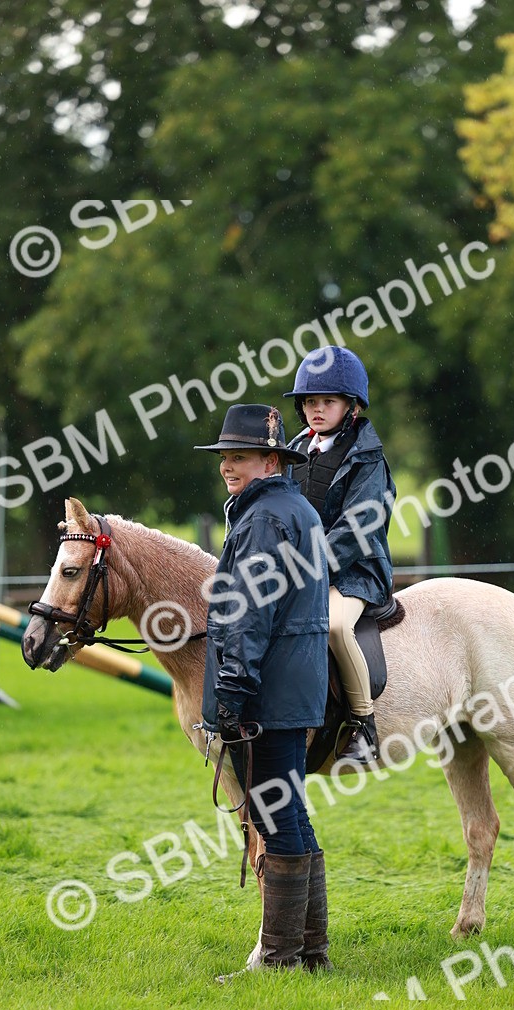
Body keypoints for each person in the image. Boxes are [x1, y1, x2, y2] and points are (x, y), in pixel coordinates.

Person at [195, 403, 332, 974]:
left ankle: (280, 960)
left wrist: (231, 690)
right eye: (225, 457)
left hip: (269, 692)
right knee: (291, 815)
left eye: (241, 458)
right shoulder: (289, 508)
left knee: (278, 820)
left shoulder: (263, 518)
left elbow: (249, 613)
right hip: (290, 685)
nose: (229, 467)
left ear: (271, 460)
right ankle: (309, 953)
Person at [284, 345, 396, 766]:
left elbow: (357, 529)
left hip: (354, 572)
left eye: (327, 401)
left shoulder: (369, 460)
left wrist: (307, 568)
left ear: (351, 405)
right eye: (310, 401)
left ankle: (363, 725)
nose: (316, 409)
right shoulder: (291, 452)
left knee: (331, 627)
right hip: (295, 570)